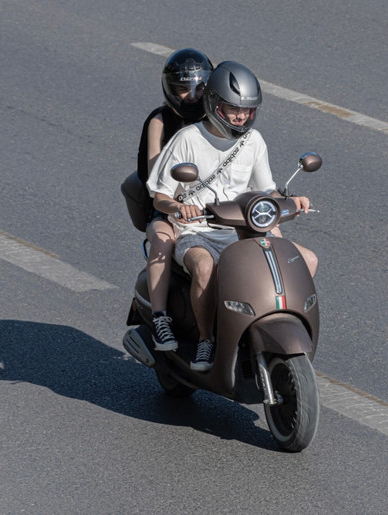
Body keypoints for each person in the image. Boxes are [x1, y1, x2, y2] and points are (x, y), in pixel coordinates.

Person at [147, 61, 318, 372]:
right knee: (204, 266)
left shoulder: (253, 141)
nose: (241, 116)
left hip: (242, 229)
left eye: (248, 111)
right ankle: (206, 339)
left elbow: (266, 190)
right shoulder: (188, 139)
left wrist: (292, 200)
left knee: (305, 259)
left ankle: (274, 322)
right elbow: (160, 196)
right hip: (197, 229)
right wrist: (178, 208)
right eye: (233, 109)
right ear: (214, 104)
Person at [137, 48, 213, 353]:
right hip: (167, 209)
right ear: (171, 89)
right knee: (164, 241)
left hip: (212, 208)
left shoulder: (217, 116)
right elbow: (157, 179)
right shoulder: (160, 121)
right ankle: (160, 319)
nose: (193, 96)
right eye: (184, 88)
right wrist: (178, 202)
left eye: (200, 87)